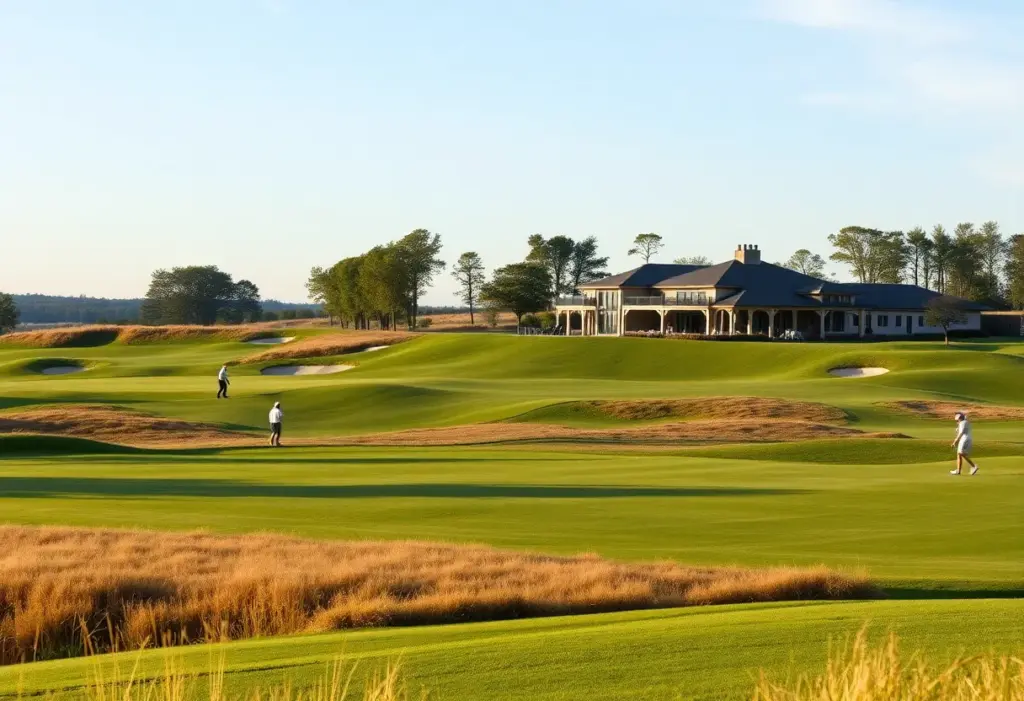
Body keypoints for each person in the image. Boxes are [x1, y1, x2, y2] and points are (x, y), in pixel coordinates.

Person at [950, 412, 979, 476]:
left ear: (959, 418)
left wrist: (955, 441)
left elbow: (961, 433)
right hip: (967, 439)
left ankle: (974, 466)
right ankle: (958, 471)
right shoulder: (965, 422)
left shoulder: (962, 423)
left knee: (961, 453)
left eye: (957, 419)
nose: (957, 421)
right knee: (959, 454)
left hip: (964, 439)